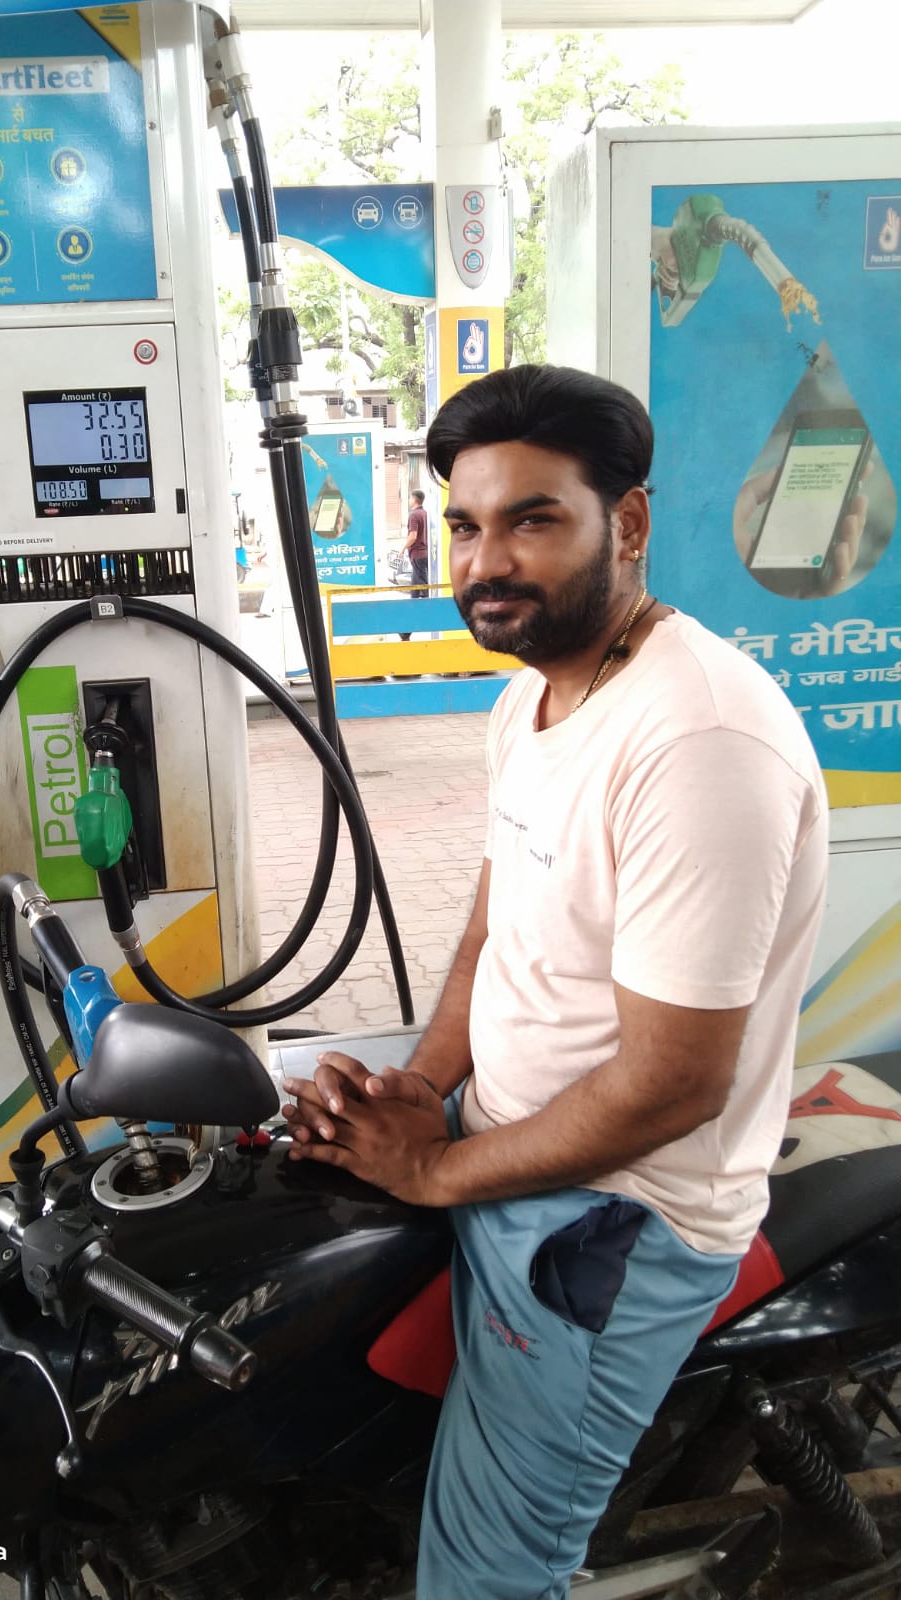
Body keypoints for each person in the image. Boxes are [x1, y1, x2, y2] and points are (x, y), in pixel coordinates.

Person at [282, 365, 828, 1599]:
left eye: (532, 520)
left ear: (626, 523)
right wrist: (421, 1085)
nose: (486, 562)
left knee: (482, 1579)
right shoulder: (532, 694)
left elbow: (673, 1084)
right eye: (466, 526)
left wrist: (435, 1168)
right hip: (502, 1141)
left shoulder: (697, 741)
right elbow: (500, 923)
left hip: (613, 1212)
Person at [398, 488, 429, 642]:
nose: (408, 500)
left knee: (421, 593)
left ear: (415, 499)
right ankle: (406, 632)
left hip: (417, 555)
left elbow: (413, 536)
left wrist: (402, 548)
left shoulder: (414, 515)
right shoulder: (425, 513)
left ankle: (407, 631)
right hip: (423, 556)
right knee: (416, 593)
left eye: (410, 497)